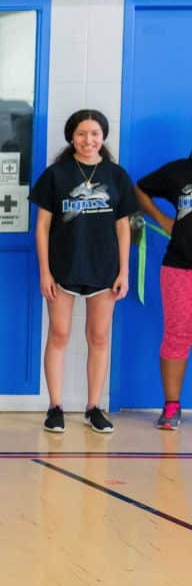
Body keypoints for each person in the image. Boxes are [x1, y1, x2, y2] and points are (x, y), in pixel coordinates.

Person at [29, 109, 137, 434]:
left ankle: (93, 407)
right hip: (63, 269)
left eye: (94, 134)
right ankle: (56, 406)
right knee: (59, 334)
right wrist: (45, 272)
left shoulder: (117, 176)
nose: (88, 140)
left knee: (99, 338)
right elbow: (42, 227)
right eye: (81, 134)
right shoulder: (56, 175)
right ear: (71, 137)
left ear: (103, 137)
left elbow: (123, 228)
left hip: (105, 271)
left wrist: (124, 272)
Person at [135, 152, 192, 429]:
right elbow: (139, 189)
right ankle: (171, 407)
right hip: (180, 266)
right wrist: (161, 219)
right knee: (177, 334)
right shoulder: (178, 171)